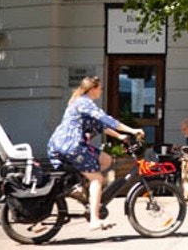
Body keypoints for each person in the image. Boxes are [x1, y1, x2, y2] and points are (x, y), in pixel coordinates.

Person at [47, 76, 145, 232]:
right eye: (100, 88)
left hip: (63, 144)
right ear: (92, 89)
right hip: (71, 145)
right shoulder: (84, 103)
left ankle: (82, 191)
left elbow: (100, 126)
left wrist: (120, 136)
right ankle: (94, 219)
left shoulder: (80, 102)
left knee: (106, 160)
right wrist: (132, 130)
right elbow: (107, 120)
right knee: (97, 178)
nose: (101, 90)